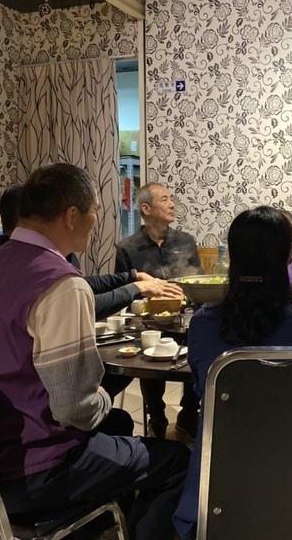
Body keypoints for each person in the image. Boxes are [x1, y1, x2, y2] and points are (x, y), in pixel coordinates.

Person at [0, 164, 190, 540]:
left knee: (118, 424)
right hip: (36, 468)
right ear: (71, 216)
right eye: (95, 211)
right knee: (177, 461)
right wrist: (102, 392)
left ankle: (104, 525)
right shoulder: (61, 284)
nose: (96, 222)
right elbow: (75, 410)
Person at [172, 205, 292, 540]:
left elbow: (202, 390)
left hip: (219, 487)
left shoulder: (204, 323)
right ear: (286, 256)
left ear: (233, 256)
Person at [0, 184, 181, 321]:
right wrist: (136, 287)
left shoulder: (0, 259)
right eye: (94, 210)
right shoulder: (36, 265)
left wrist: (132, 277)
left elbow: (82, 285)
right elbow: (81, 304)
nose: (95, 221)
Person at [115, 183, 203, 439]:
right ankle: (156, 416)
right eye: (165, 199)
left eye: (171, 198)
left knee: (198, 349)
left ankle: (189, 414)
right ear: (146, 209)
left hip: (185, 319)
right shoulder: (127, 247)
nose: (172, 204)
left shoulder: (185, 241)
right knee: (147, 352)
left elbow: (196, 281)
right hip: (149, 321)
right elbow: (123, 291)